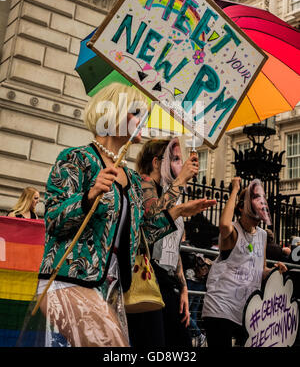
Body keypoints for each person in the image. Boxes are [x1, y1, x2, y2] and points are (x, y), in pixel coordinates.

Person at [31, 83, 216, 348]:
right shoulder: (76, 158)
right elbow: (53, 221)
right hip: (71, 281)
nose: (142, 121)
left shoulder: (130, 177)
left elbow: (143, 235)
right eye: (136, 113)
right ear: (114, 115)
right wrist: (90, 195)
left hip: (114, 289)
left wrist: (179, 210)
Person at [127, 137, 215, 348]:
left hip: (168, 285)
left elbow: (173, 248)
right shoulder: (144, 183)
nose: (181, 164)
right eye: (175, 159)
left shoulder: (170, 194)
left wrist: (183, 287)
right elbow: (154, 220)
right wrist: (181, 183)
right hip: (147, 278)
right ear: (157, 162)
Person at [202, 177, 287, 348]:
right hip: (220, 308)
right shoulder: (233, 231)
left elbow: (261, 270)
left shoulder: (262, 235)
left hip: (247, 310)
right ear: (241, 207)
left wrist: (275, 271)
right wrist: (234, 190)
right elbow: (224, 225)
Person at [185, 253, 211, 347]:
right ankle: (197, 335)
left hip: (197, 282)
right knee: (191, 310)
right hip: (195, 281)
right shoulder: (199, 260)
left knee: (190, 310)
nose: (205, 269)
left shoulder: (199, 260)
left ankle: (197, 335)